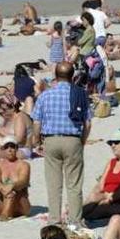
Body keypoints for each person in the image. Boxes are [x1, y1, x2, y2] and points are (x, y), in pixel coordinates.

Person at [31, 62, 91, 227]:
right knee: (74, 183)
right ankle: (75, 220)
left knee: (53, 183)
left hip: (51, 139)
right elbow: (87, 123)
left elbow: (36, 122)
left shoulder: (45, 95)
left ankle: (55, 220)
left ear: (55, 76)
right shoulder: (80, 94)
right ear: (72, 76)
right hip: (73, 139)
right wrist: (82, 141)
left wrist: (36, 140)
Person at [83, 129, 120, 221]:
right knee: (91, 200)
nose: (113, 146)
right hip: (106, 197)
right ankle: (76, 214)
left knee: (96, 211)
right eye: (111, 143)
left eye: (116, 143)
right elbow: (100, 186)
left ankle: (81, 215)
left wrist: (109, 199)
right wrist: (94, 197)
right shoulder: (111, 162)